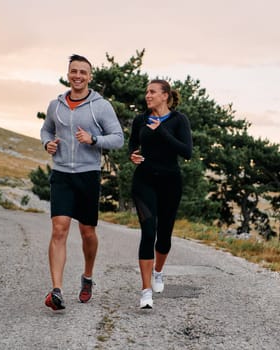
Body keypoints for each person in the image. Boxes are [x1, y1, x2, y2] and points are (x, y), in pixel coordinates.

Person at [40, 54, 124, 310]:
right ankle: (57, 291)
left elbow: (118, 138)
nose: (78, 76)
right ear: (68, 74)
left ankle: (87, 277)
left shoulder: (100, 106)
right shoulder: (56, 105)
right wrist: (48, 143)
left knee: (87, 233)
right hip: (62, 173)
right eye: (73, 71)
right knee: (59, 229)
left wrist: (94, 140)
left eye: (83, 72)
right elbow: (46, 129)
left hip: (88, 174)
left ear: (90, 76)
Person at [129, 79, 192, 309]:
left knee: (164, 235)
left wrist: (162, 131)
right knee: (148, 232)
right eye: (146, 91)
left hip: (170, 183)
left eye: (152, 92)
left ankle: (158, 272)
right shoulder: (140, 120)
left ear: (165, 96)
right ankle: (145, 292)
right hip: (144, 180)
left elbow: (187, 152)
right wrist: (133, 155)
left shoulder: (178, 120)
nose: (147, 95)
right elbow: (132, 144)